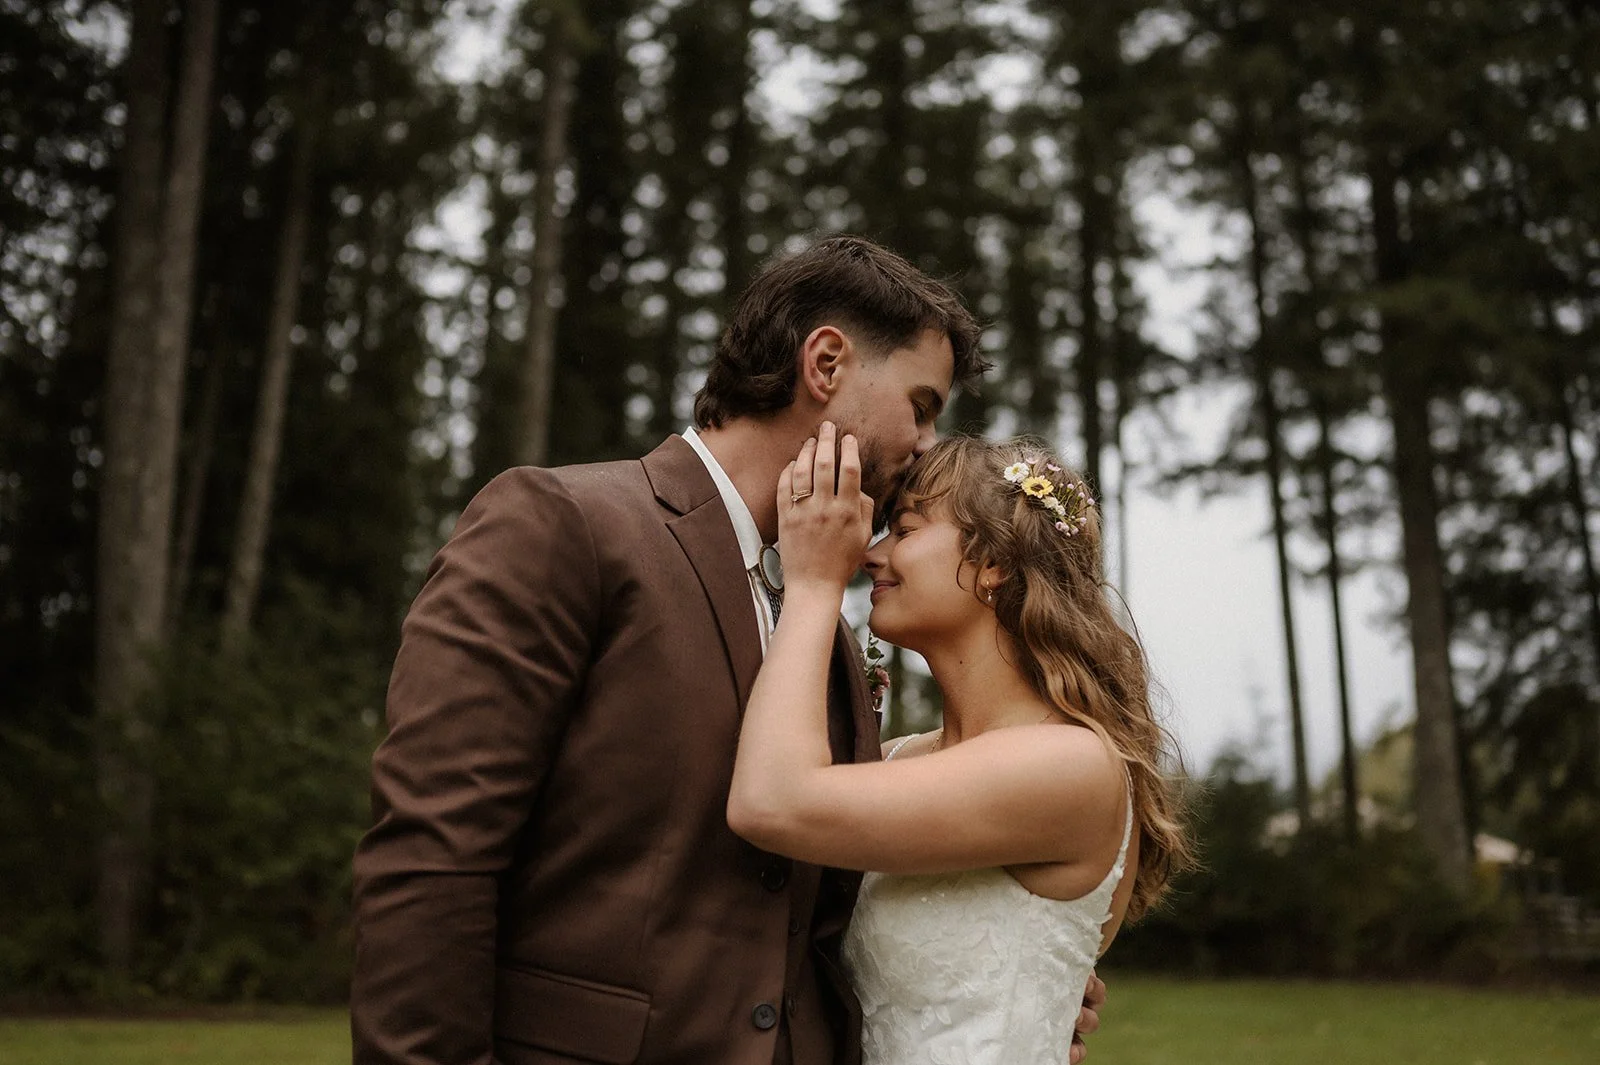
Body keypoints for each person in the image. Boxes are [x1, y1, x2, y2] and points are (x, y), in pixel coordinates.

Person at [349, 235, 1105, 1065]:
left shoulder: (827, 636)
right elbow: (431, 865)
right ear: (825, 363)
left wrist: (998, 986)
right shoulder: (565, 526)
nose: (927, 444)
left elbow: (805, 923)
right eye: (921, 406)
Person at [727, 427, 1192, 1064]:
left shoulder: (1069, 764)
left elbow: (770, 802)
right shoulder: (897, 760)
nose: (872, 554)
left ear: (994, 561)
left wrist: (811, 584)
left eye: (908, 529)